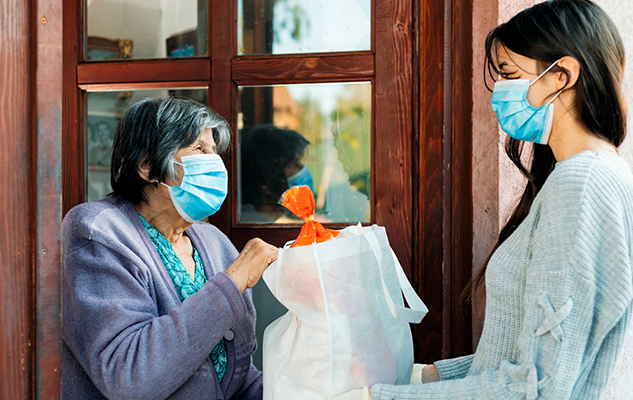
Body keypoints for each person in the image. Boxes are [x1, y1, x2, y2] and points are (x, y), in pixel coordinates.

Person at [338, 1, 633, 399]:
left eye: (510, 74)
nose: (499, 93)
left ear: (562, 75)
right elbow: (512, 357)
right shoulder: (596, 175)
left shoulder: (581, 184)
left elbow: (536, 387)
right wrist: (423, 376)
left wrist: (378, 398)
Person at [62, 97, 279, 399]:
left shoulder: (214, 243)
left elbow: (233, 379)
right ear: (148, 166)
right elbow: (130, 378)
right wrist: (232, 282)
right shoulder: (97, 231)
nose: (214, 162)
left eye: (215, 151)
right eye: (199, 149)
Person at [239, 124, 312, 222]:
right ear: (264, 182)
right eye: (292, 165)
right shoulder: (248, 225)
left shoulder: (258, 222)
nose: (302, 169)